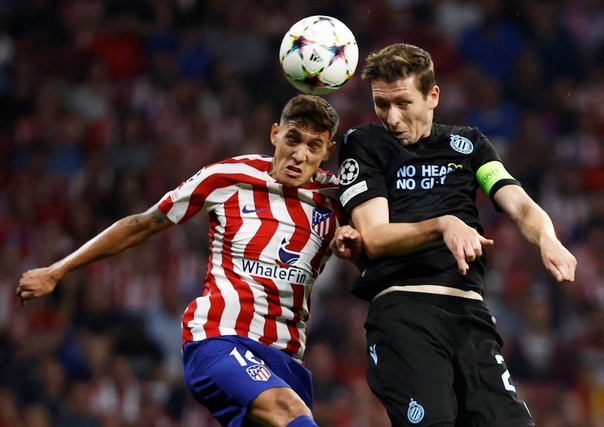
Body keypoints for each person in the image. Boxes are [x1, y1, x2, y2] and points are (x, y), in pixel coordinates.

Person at [16, 94, 362, 427]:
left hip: (285, 359)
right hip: (219, 338)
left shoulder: (336, 200)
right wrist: (57, 269)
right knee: (289, 411)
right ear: (275, 134)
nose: (299, 155)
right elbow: (142, 224)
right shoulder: (228, 177)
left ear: (327, 151)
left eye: (313, 146)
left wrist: (356, 245)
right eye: (293, 139)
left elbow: (376, 252)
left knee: (290, 410)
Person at [335, 43, 577, 426]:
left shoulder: (468, 146)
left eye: (403, 102)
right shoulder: (364, 143)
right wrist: (442, 224)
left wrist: (548, 238)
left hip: (470, 316)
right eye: (382, 105)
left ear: (433, 96)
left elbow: (518, 203)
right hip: (405, 314)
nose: (392, 118)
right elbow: (375, 237)